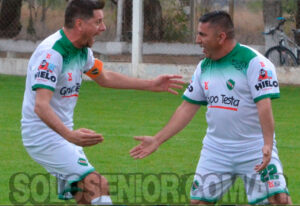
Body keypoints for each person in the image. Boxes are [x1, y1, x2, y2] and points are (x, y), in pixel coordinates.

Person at [20, 0, 184, 204]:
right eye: (98, 22)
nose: (103, 28)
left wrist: (151, 84)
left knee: (86, 195)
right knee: (98, 185)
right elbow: (40, 106)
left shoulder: (82, 50)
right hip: (43, 136)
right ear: (80, 24)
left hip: (62, 134)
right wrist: (70, 135)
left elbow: (104, 77)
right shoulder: (52, 54)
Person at [130, 11, 292, 205]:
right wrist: (157, 140)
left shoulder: (255, 63)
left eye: (202, 35)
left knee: (278, 200)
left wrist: (266, 144)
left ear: (221, 37)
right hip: (216, 149)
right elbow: (186, 108)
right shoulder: (204, 67)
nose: (197, 40)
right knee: (198, 203)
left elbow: (264, 107)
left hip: (254, 148)